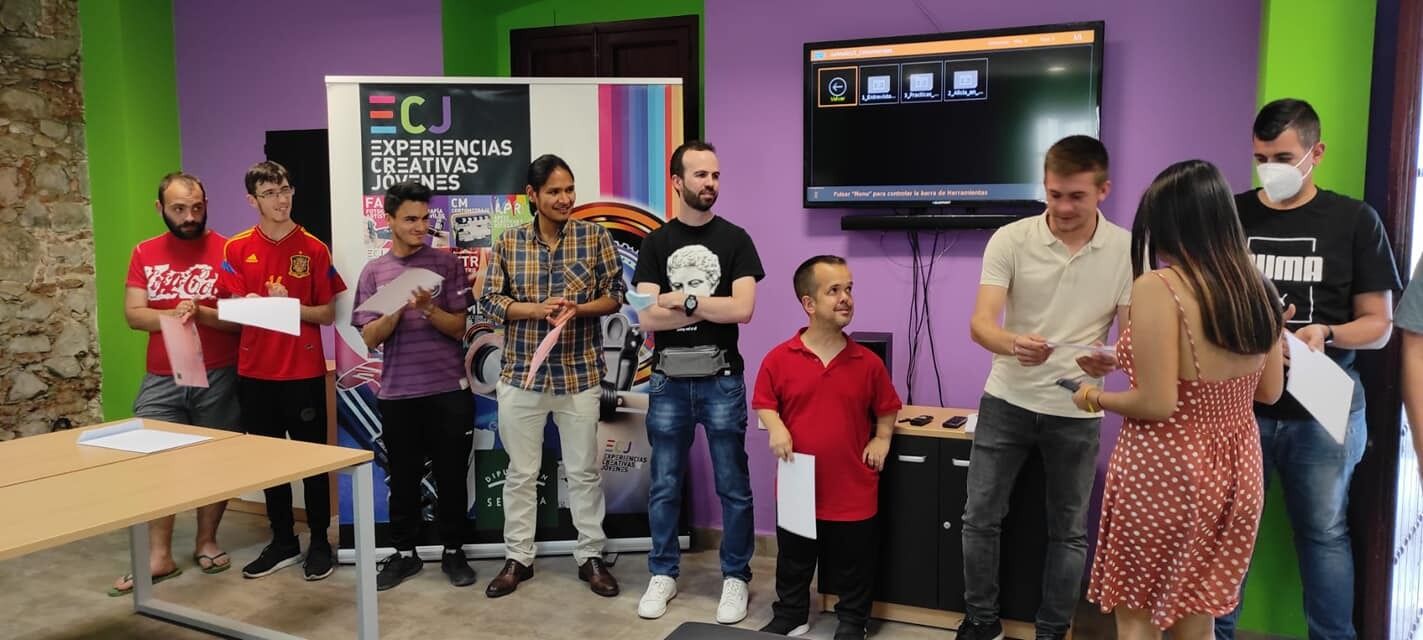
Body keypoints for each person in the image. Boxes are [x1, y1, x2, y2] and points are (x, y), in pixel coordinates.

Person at [1073, 160, 1286, 639]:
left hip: (1166, 469)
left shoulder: (1160, 286)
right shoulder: (1257, 287)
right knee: (1198, 620)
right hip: (1236, 473)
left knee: (1137, 619)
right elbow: (1269, 391)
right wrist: (1121, 357)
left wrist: (1094, 397)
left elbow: (1157, 403)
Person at [1215, 99, 1400, 640]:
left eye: (1282, 157)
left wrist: (1327, 333)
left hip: (1323, 404)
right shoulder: (1231, 215)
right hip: (1242, 403)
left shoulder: (1355, 221)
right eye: (1260, 158)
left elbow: (1380, 325)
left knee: (1324, 534)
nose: (1269, 169)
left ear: (1315, 153)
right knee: (1230, 533)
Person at [958, 135, 1133, 640]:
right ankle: (981, 621)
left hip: (1078, 407)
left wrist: (1111, 358)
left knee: (1069, 531)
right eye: (1054, 194)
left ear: (1103, 190)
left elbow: (1133, 339)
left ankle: (1052, 631)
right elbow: (981, 325)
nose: (1063, 207)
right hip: (1006, 399)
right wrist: (1014, 343)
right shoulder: (1010, 239)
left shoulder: (1127, 249)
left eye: (1077, 196)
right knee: (979, 518)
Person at [477, 154, 625, 598]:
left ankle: (591, 556)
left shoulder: (594, 237)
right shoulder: (509, 242)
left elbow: (615, 295)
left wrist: (579, 308)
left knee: (583, 472)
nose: (565, 199)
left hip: (579, 376)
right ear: (533, 195)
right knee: (521, 474)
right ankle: (518, 558)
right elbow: (491, 302)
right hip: (522, 376)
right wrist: (535, 310)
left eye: (569, 189)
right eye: (554, 191)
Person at [633, 140, 764, 624]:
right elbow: (647, 318)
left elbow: (743, 309)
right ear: (677, 182)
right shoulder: (656, 243)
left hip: (722, 380)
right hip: (668, 381)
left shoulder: (736, 239)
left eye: (715, 175)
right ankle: (662, 572)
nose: (711, 183)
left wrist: (683, 301)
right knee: (664, 485)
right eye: (701, 175)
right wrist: (708, 306)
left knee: (734, 485)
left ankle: (736, 577)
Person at [752, 255, 902, 640]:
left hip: (853, 484)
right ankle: (791, 614)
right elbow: (765, 402)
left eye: (849, 289)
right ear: (809, 303)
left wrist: (882, 438)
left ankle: (853, 620)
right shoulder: (779, 358)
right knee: (794, 559)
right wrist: (776, 428)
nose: (845, 298)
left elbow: (888, 408)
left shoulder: (867, 362)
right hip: (798, 483)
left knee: (855, 562)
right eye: (834, 290)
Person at [110, 172, 243, 596]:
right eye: (179, 209)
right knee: (153, 463)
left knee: (216, 461)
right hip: (162, 376)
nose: (190, 217)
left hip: (218, 373)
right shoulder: (144, 252)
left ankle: (207, 542)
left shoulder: (229, 250)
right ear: (160, 208)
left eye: (197, 208)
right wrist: (173, 314)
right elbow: (134, 314)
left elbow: (241, 319)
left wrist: (202, 313)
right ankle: (158, 557)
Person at [218, 160, 347, 581]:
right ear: (252, 200)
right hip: (255, 374)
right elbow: (230, 311)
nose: (281, 199)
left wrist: (286, 305)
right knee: (268, 463)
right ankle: (282, 541)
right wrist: (256, 305)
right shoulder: (236, 248)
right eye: (270, 193)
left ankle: (320, 542)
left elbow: (327, 314)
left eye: (285, 189)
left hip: (303, 373)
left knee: (312, 462)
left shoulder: (314, 248)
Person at [351, 180, 476, 590]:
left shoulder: (446, 264)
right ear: (389, 220)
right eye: (410, 219)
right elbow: (370, 339)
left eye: (424, 218)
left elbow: (458, 329)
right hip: (398, 393)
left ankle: (454, 551)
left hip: (448, 391)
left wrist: (428, 309)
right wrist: (395, 308)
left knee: (452, 477)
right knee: (402, 479)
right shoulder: (374, 273)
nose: (420, 226)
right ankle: (405, 554)